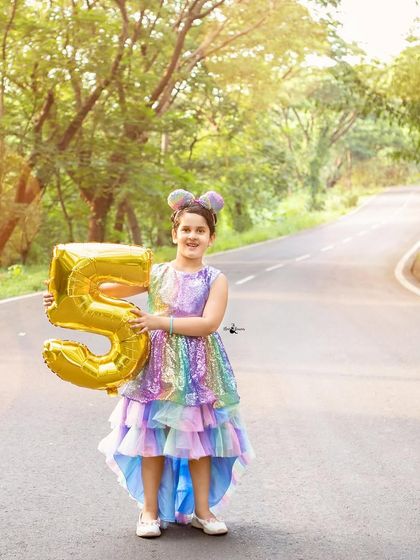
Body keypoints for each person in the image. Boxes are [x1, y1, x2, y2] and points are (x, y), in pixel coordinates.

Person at [43, 189, 255, 538]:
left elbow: (208, 324)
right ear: (174, 234)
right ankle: (149, 512)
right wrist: (60, 293)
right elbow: (101, 291)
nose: (192, 236)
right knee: (151, 440)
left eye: (200, 231)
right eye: (186, 229)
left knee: (199, 442)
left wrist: (159, 321)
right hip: (155, 368)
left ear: (211, 238)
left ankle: (203, 511)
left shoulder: (214, 279)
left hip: (198, 370)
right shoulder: (155, 273)